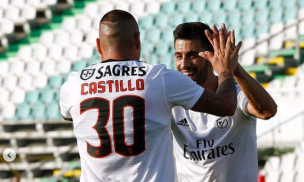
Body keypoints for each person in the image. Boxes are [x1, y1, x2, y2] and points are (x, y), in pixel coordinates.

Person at [59, 10, 240, 182]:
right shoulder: (159, 78)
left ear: (99, 45)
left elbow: (67, 114)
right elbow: (227, 105)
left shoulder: (73, 84)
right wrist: (225, 70)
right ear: (137, 40)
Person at [171, 22, 277, 182]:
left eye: (192, 55)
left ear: (210, 56)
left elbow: (266, 111)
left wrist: (231, 67)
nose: (184, 64)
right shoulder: (172, 98)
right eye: (179, 56)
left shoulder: (236, 93)